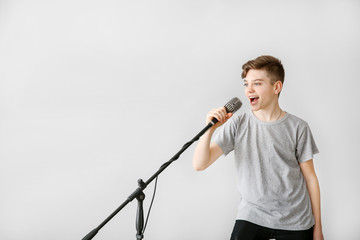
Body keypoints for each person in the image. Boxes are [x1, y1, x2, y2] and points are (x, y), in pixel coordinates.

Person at [193, 55, 324, 240]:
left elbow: (311, 179)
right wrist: (210, 129)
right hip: (252, 215)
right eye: (246, 84)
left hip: (295, 220)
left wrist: (318, 228)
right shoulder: (238, 123)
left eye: (257, 84)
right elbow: (200, 164)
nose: (249, 90)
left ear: (276, 87)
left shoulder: (298, 127)